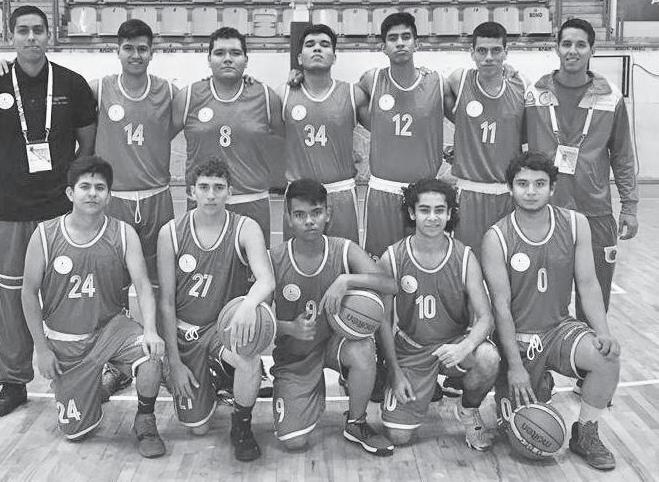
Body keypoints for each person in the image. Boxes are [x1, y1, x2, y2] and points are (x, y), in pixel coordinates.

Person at [0, 5, 96, 418]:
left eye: (38, 30)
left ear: (49, 35)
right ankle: (12, 382)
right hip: (7, 211)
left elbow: (87, 145)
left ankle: (75, 376)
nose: (31, 37)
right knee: (8, 299)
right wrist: (9, 182)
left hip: (59, 210)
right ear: (11, 36)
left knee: (66, 295)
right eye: (22, 30)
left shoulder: (72, 84)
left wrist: (63, 186)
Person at [481, 152, 621, 471]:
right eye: (522, 184)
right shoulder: (496, 237)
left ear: (552, 187)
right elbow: (501, 307)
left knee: (607, 358)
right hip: (517, 339)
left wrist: (603, 332)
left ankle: (585, 434)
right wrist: (515, 366)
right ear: (510, 188)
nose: (531, 191)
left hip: (559, 330)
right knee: (521, 433)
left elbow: (588, 284)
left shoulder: (575, 224)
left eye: (539, 184)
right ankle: (534, 383)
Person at [20, 156, 166, 457]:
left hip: (111, 331)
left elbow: (143, 286)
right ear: (70, 193)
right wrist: (42, 350)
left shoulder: (123, 233)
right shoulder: (45, 235)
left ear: (109, 195)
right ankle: (98, 382)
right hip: (66, 343)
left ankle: (145, 419)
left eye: (100, 188)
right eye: (85, 186)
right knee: (77, 434)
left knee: (150, 354)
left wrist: (151, 329)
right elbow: (28, 293)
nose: (92, 193)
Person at [156, 156, 274, 462]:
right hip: (185, 333)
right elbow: (166, 303)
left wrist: (249, 303)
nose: (211, 194)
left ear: (229, 193)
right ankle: (215, 377)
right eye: (204, 187)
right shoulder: (171, 233)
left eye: (218, 187)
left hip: (222, 329)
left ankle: (242, 426)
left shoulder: (245, 228)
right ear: (191, 192)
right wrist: (174, 363)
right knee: (198, 428)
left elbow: (266, 280)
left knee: (248, 357)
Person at [270, 179, 397, 456]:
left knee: (363, 348)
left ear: (328, 213)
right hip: (295, 356)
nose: (309, 221)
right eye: (300, 215)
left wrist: (347, 280)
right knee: (293, 442)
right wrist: (289, 327)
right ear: (288, 218)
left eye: (316, 212)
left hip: (334, 345)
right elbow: (260, 321)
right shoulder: (274, 259)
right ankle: (306, 395)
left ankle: (356, 422)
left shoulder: (344, 249)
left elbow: (389, 284)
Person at [524, 17, 638, 320]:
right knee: (547, 300)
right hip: (546, 212)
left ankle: (592, 350)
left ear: (592, 50)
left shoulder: (611, 97)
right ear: (556, 48)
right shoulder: (534, 95)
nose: (572, 51)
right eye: (566, 44)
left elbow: (623, 156)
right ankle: (551, 349)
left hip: (595, 213)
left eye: (580, 45)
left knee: (595, 301)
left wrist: (629, 206)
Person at [378, 179, 499, 450]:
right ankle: (420, 384)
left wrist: (465, 346)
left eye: (439, 210)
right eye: (424, 210)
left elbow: (486, 317)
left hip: (453, 345)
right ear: (412, 213)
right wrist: (394, 372)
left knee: (488, 358)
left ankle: (468, 410)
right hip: (412, 350)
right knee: (398, 438)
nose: (432, 217)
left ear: (449, 213)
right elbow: (383, 323)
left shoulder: (465, 257)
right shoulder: (393, 258)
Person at [174, 27, 283, 245]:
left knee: (254, 265)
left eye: (235, 53)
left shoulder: (265, 96)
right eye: (219, 53)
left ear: (246, 60)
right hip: (203, 200)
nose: (227, 59)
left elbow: (289, 137)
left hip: (251, 201)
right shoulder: (188, 96)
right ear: (209, 59)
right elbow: (159, 138)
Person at [91, 19, 178, 286]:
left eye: (142, 49)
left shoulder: (168, 91)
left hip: (157, 197)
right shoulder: (99, 89)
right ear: (117, 51)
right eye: (128, 48)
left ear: (152, 53)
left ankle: (157, 317)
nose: (135, 55)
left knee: (159, 278)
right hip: (113, 197)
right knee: (111, 278)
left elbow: (199, 101)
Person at [357, 12, 444, 259]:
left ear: (417, 44)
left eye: (406, 37)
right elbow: (342, 103)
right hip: (382, 191)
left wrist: (507, 70)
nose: (400, 43)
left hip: (424, 193)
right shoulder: (371, 80)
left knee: (423, 261)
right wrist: (298, 76)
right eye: (393, 38)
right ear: (383, 47)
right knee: (380, 262)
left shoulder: (437, 82)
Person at [444, 22, 526, 256]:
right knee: (468, 262)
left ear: (506, 53)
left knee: (508, 262)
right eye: (482, 51)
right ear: (472, 53)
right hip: (469, 194)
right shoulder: (459, 80)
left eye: (496, 50)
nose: (489, 57)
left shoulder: (522, 87)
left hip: (508, 193)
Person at [278, 24, 364, 242]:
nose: (317, 48)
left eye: (324, 44)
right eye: (310, 45)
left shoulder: (353, 94)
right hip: (299, 195)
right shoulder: (282, 94)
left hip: (340, 194)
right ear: (299, 58)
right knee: (296, 258)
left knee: (343, 257)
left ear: (334, 57)